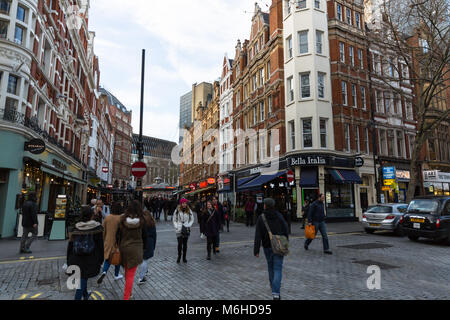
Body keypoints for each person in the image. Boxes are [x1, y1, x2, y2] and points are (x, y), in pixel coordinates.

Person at [254, 198, 289, 301]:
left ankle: (273, 286)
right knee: (278, 268)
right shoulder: (279, 215)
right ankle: (276, 294)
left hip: (267, 247)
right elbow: (285, 229)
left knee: (270, 267)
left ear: (265, 205)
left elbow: (258, 235)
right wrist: (286, 242)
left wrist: (256, 250)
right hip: (279, 246)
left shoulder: (262, 217)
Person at [67, 206, 104, 300]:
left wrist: (68, 259)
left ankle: (86, 295)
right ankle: (78, 297)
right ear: (92, 215)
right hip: (90, 258)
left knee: (83, 277)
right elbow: (100, 245)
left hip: (76, 256)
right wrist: (101, 259)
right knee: (83, 278)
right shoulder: (97, 227)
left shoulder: (76, 227)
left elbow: (70, 245)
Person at [118, 200, 146, 300]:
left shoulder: (122, 219)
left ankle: (129, 293)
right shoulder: (142, 220)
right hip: (136, 249)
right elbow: (145, 236)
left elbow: (119, 235)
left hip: (124, 248)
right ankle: (126, 296)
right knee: (130, 275)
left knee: (127, 272)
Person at [97, 201, 124, 285]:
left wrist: (103, 239)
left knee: (108, 258)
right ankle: (116, 274)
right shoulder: (121, 218)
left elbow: (103, 230)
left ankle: (104, 271)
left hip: (108, 241)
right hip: (118, 242)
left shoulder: (107, 218)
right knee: (118, 258)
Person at [137, 209, 157, 285]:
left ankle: (144, 274)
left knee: (144, 259)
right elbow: (155, 235)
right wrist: (154, 245)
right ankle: (141, 277)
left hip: (142, 242)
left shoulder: (140, 223)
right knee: (145, 260)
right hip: (149, 242)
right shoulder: (152, 223)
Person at [173, 198, 194, 263]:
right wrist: (176, 226)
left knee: (185, 244)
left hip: (186, 228)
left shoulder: (189, 210)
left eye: (185, 203)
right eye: (183, 203)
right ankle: (179, 256)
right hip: (179, 229)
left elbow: (192, 219)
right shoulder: (177, 210)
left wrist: (188, 225)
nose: (184, 204)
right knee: (179, 244)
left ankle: (184, 257)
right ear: (181, 203)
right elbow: (174, 219)